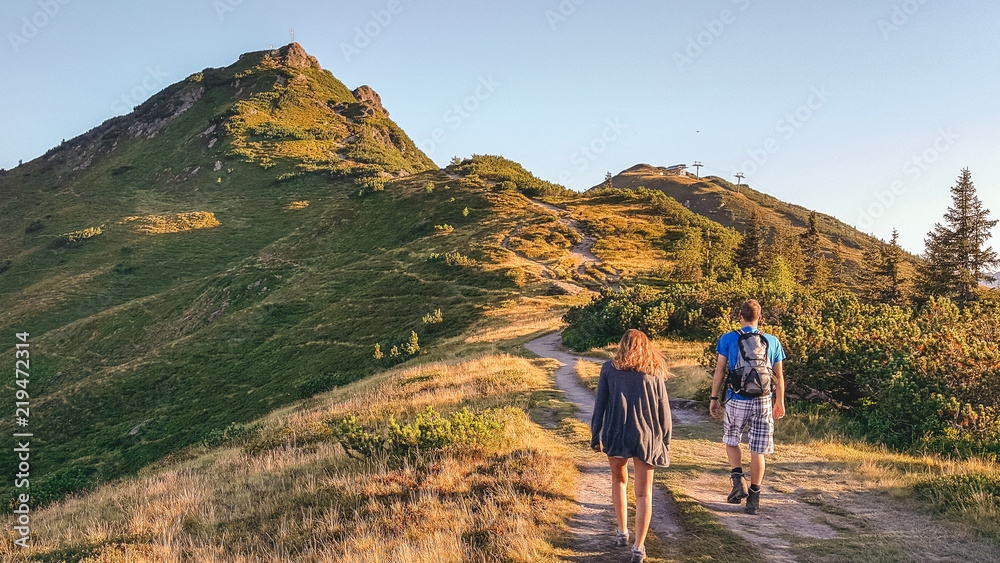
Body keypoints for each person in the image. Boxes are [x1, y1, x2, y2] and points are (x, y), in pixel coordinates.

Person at [591, 328, 672, 563]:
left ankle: (621, 531)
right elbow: (664, 411)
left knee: (619, 480)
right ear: (645, 346)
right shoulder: (654, 371)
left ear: (622, 344)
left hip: (616, 432)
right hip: (647, 436)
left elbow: (600, 404)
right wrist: (665, 440)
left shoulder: (609, 368)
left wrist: (596, 434)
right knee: (644, 493)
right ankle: (638, 547)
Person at [709, 299, 786, 514]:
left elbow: (720, 371)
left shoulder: (727, 339)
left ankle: (737, 480)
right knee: (757, 451)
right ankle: (754, 498)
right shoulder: (772, 341)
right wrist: (779, 401)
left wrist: (714, 398)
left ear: (739, 316)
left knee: (732, 440)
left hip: (737, 399)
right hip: (763, 401)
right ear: (760, 318)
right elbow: (778, 376)